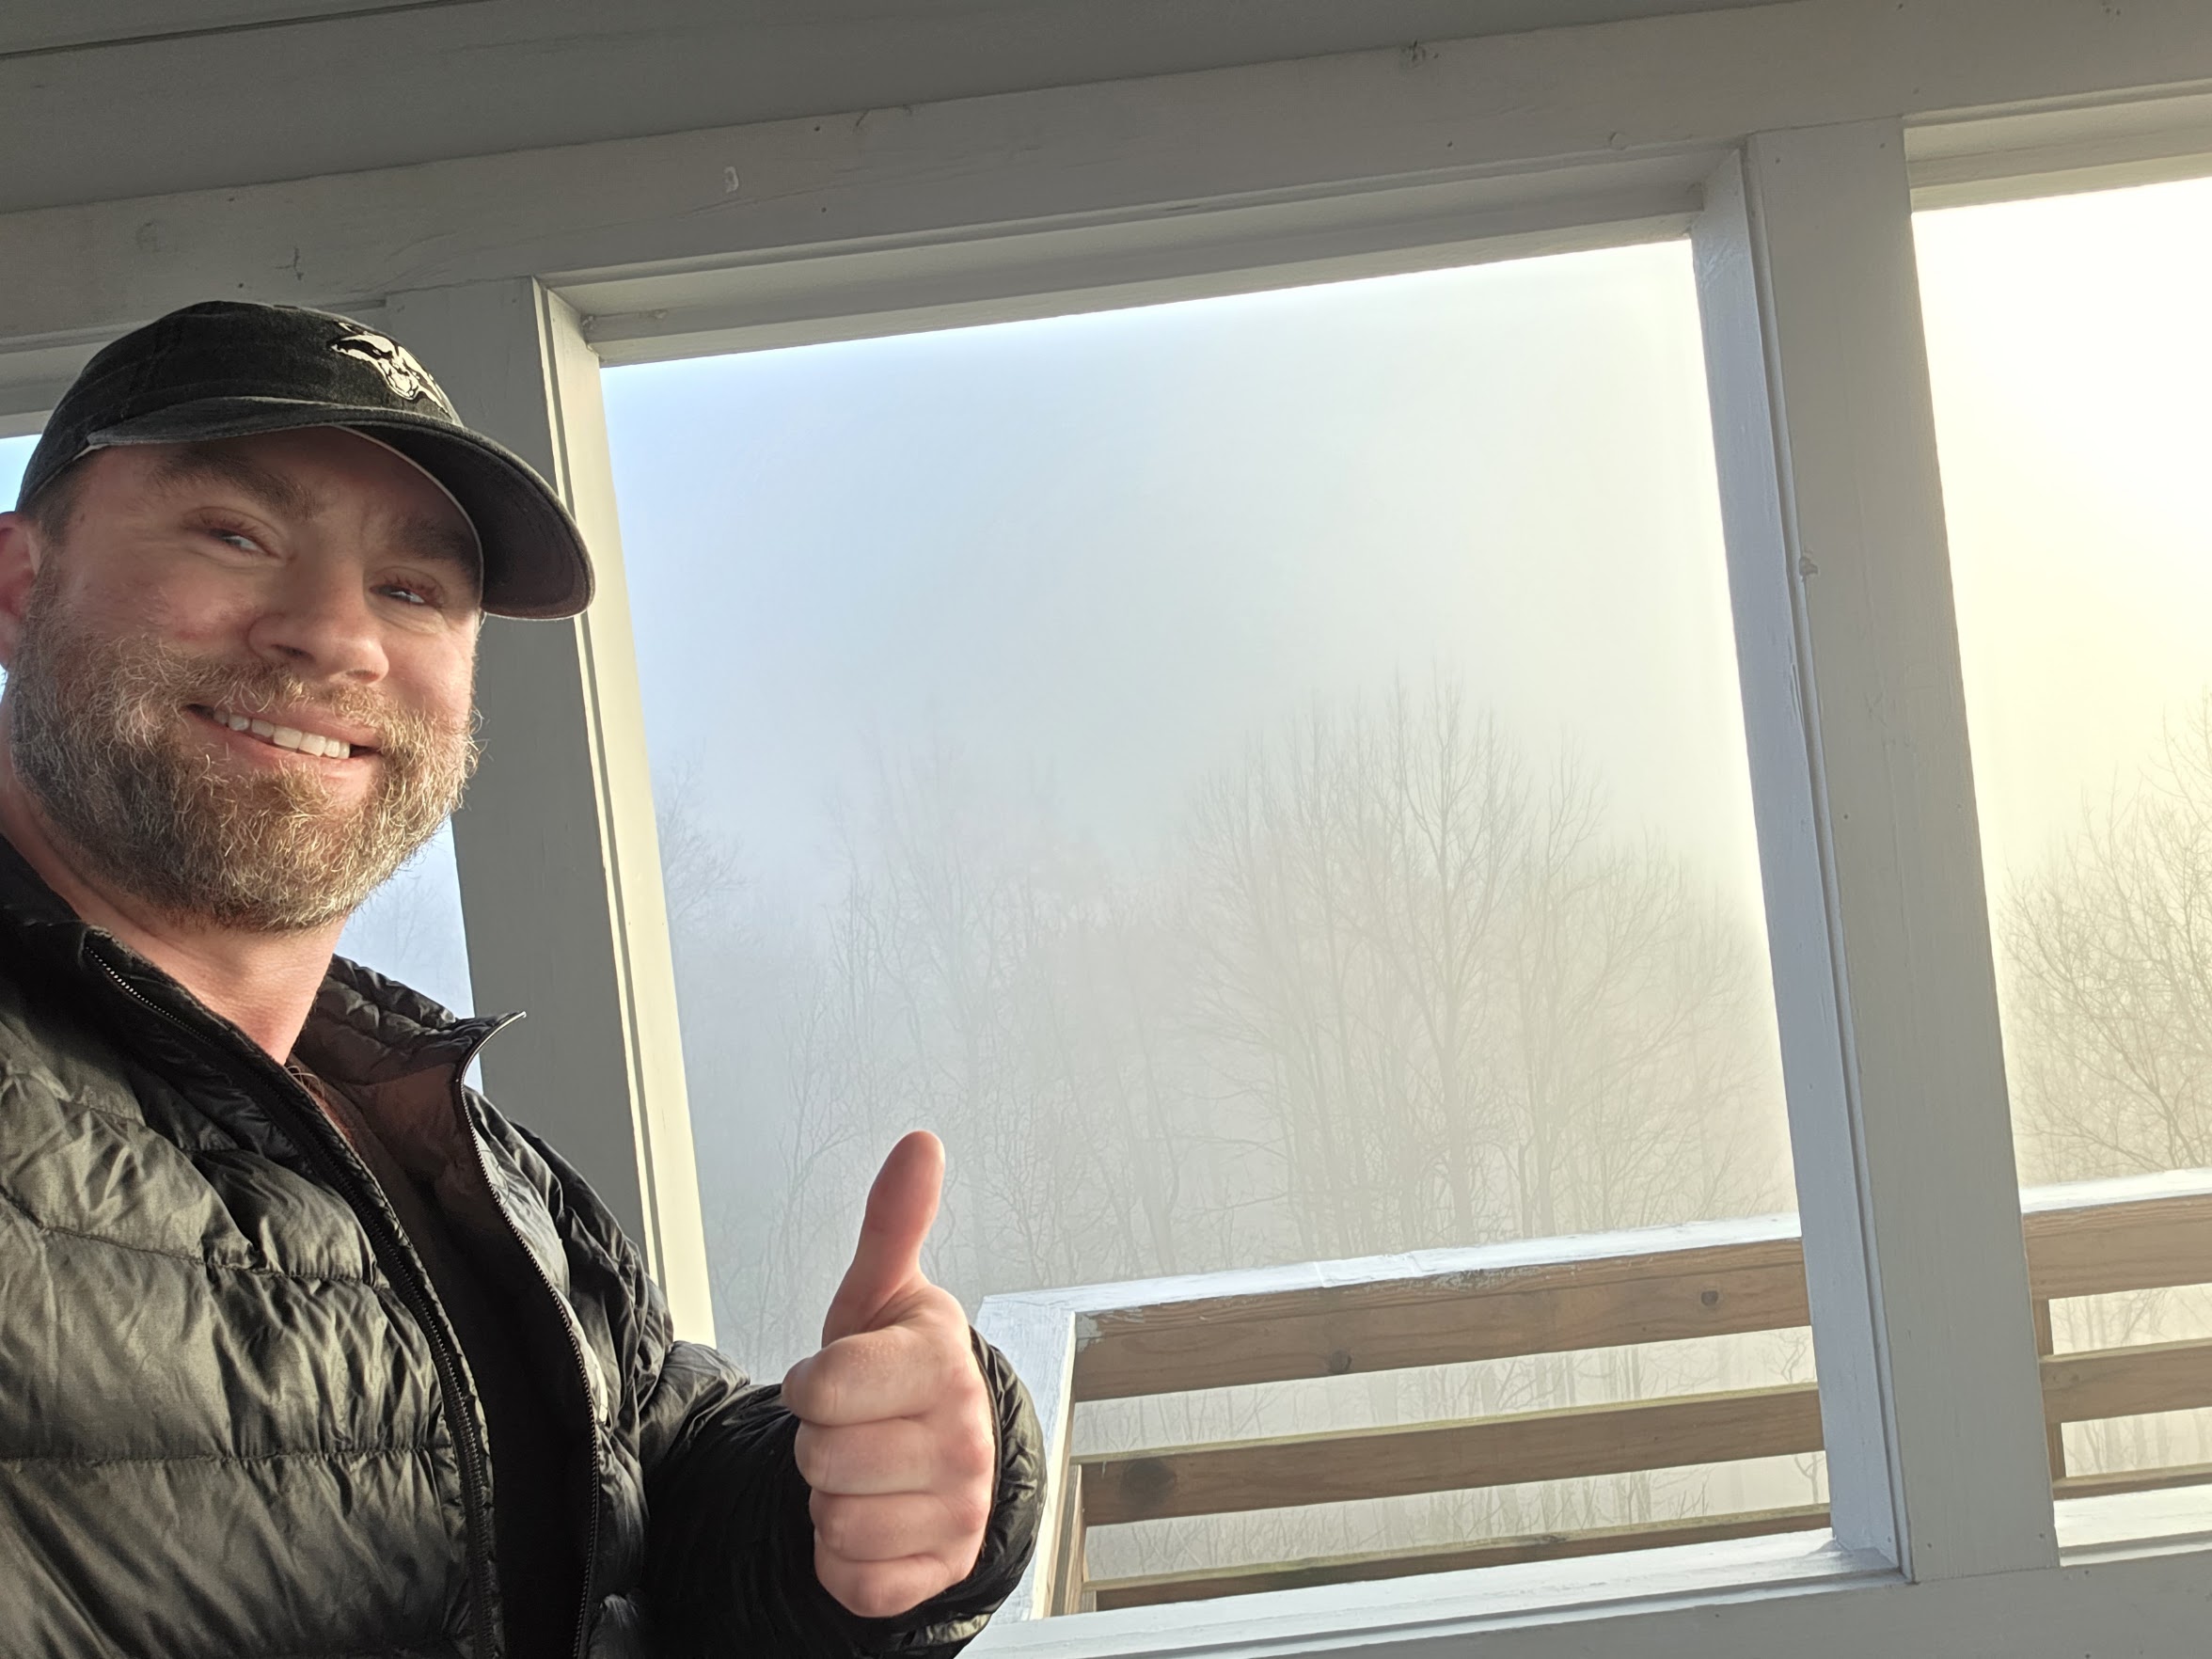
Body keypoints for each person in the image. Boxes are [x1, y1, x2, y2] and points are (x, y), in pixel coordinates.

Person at [0, 301, 1042, 1658]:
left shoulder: (455, 1151)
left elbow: (655, 1502)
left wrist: (889, 1485)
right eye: (237, 536)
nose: (337, 637)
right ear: (21, 585)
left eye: (415, 589)